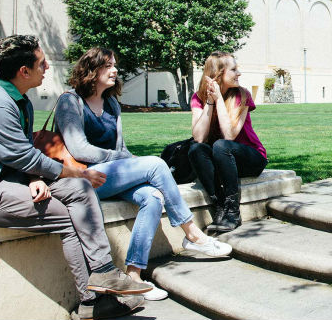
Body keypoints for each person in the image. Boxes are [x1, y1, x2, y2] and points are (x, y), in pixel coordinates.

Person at [0, 35, 149, 320]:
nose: (48, 66)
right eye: (41, 63)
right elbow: (25, 158)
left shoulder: (19, 101)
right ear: (23, 71)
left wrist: (32, 179)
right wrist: (75, 170)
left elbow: (20, 154)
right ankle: (91, 302)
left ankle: (103, 272)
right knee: (66, 213)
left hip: (10, 180)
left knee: (79, 190)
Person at [55, 47, 231, 301]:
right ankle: (192, 234)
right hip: (83, 179)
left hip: (111, 174)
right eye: (108, 65)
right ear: (91, 70)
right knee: (154, 165)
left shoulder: (111, 103)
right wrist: (129, 161)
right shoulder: (70, 101)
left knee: (152, 197)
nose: (115, 70)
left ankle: (134, 275)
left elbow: (120, 149)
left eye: (115, 65)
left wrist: (132, 161)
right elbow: (79, 149)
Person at [189, 52, 268, 233]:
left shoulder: (242, 95)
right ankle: (220, 207)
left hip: (251, 157)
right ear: (218, 74)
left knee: (221, 145)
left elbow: (229, 135)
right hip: (223, 159)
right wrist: (209, 102)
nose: (238, 73)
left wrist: (219, 100)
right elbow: (199, 137)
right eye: (233, 70)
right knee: (196, 149)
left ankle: (233, 211)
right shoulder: (198, 98)